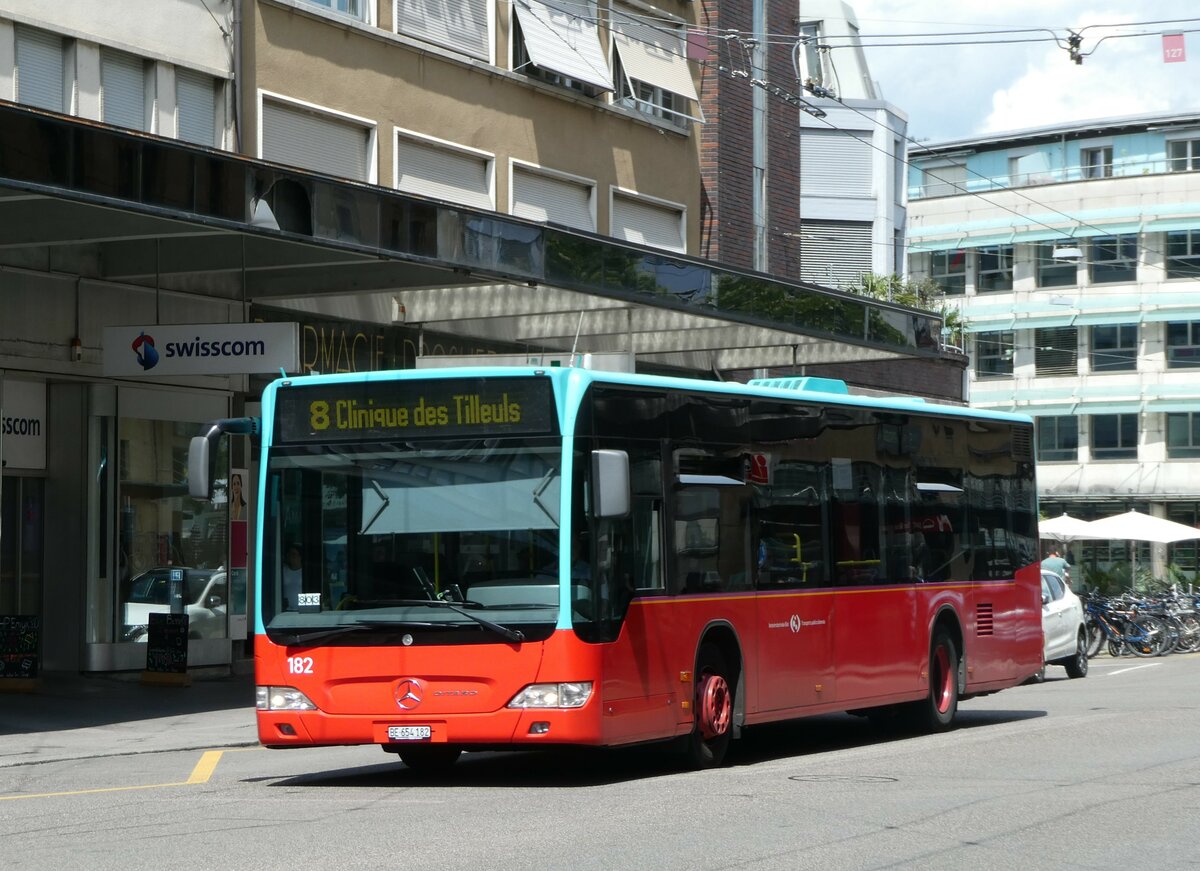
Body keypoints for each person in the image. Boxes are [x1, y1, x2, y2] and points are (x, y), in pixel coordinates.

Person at [282, 543, 303, 609]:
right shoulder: (283, 570)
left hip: (301, 610)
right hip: (285, 610)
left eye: (294, 554)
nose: (291, 557)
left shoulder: (306, 572)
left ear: (300, 557)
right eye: (289, 554)